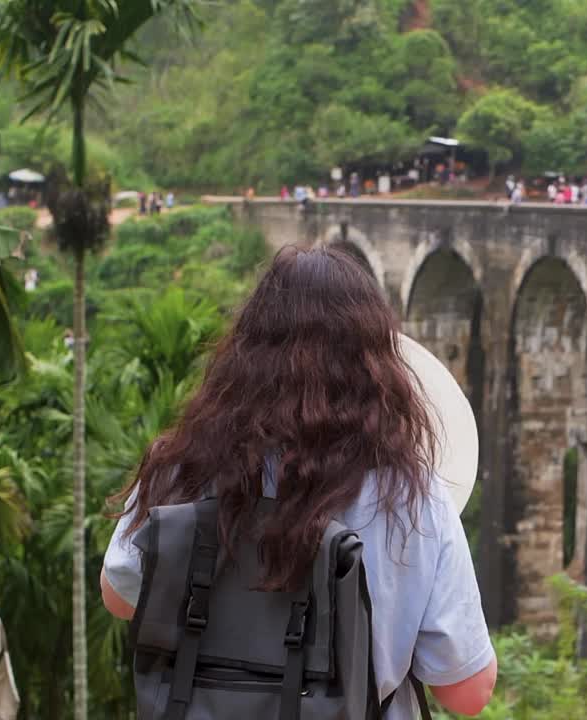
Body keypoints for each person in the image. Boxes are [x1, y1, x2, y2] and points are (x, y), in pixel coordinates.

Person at [100, 246, 498, 719]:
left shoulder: (182, 466)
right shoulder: (412, 500)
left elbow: (119, 597)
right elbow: (467, 694)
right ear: (377, 370)